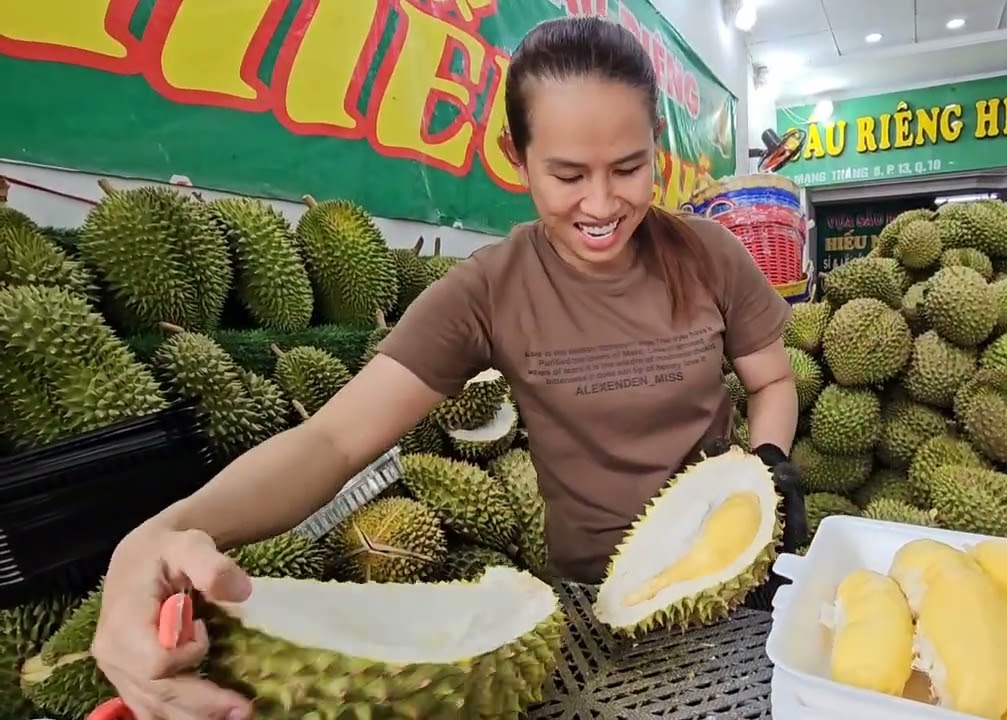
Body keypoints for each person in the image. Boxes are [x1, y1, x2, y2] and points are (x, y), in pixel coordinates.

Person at [87, 14, 807, 719]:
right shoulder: (486, 291)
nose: (601, 203)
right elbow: (332, 442)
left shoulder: (710, 255)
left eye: (627, 168)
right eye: (566, 174)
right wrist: (160, 533)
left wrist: (768, 463)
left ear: (657, 148)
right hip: (590, 598)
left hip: (728, 576)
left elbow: (770, 379)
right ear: (515, 157)